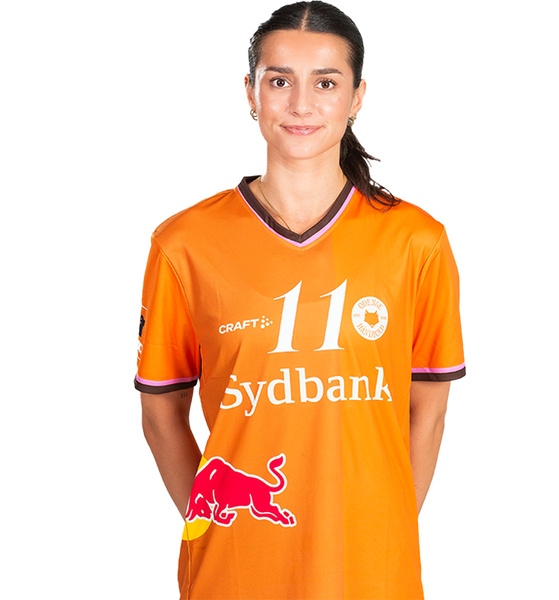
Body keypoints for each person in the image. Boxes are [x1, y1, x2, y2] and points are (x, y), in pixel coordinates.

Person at [133, 1, 466, 598]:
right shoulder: (182, 242)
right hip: (233, 572)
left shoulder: (417, 240)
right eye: (280, 81)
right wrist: (212, 520)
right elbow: (160, 412)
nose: (302, 105)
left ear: (359, 95)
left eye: (326, 83)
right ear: (249, 91)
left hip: (372, 572)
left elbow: (430, 405)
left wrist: (387, 527)